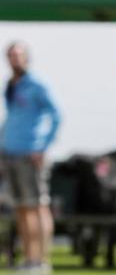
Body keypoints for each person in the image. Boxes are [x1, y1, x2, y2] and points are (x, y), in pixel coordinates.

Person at [2, 42, 61, 274]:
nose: (14, 60)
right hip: (10, 154)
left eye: (18, 56)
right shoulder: (10, 86)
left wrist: (42, 147)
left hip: (30, 155)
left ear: (27, 58)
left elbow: (56, 116)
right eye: (10, 56)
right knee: (20, 208)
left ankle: (41, 261)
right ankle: (28, 258)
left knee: (37, 206)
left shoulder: (37, 85)